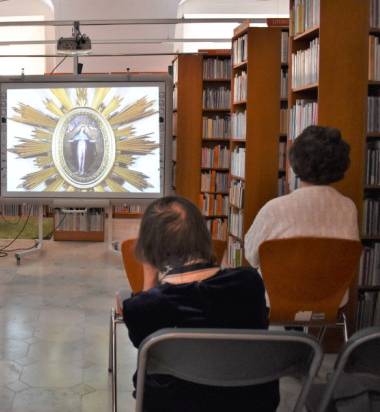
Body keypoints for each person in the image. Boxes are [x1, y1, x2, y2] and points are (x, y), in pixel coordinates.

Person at [117, 195, 277, 412]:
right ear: (204, 236)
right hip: (248, 404)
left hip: (173, 406)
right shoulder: (250, 283)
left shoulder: (144, 307)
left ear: (150, 249)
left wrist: (149, 274)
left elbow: (145, 346)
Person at [244, 125, 359, 269]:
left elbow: (251, 255)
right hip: (332, 284)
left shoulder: (274, 209)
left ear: (295, 161)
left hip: (279, 284)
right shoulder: (348, 208)